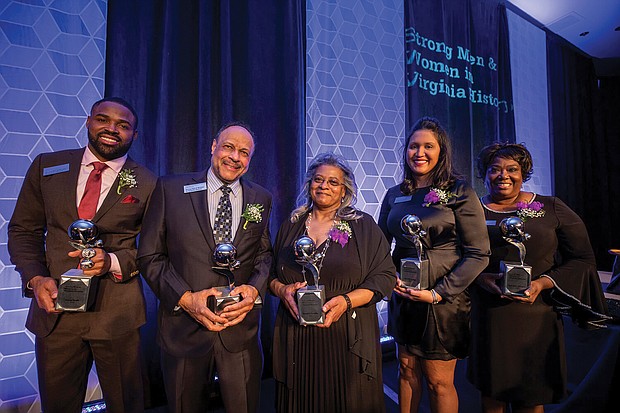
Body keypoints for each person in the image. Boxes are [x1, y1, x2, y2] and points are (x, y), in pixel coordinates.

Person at [8, 97, 157, 413]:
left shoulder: (147, 181)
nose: (111, 129)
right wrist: (36, 279)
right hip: (56, 312)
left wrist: (113, 261)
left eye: (123, 125)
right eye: (103, 119)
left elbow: (154, 248)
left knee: (127, 406)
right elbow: (23, 231)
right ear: (89, 121)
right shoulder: (48, 166)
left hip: (117, 315)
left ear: (134, 135)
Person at [137, 122, 272, 413]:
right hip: (184, 330)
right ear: (213, 147)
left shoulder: (261, 198)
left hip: (239, 332)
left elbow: (264, 256)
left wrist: (253, 290)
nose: (235, 157)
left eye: (244, 152)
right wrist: (186, 299)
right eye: (228, 147)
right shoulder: (170, 188)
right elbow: (149, 255)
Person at [468, 142, 608, 413]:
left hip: (537, 318)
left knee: (531, 398)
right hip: (489, 317)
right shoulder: (471, 210)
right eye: (494, 169)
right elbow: (457, 257)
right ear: (484, 174)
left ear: (524, 173)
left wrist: (543, 283)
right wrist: (481, 278)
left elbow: (583, 259)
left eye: (512, 169)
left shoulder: (550, 206)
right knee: (491, 395)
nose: (503, 175)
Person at [378, 117, 490, 413]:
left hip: (443, 301)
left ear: (441, 152)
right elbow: (379, 246)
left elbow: (479, 253)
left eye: (428, 146)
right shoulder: (395, 194)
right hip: (404, 296)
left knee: (437, 382)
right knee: (405, 370)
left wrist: (438, 292)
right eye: (413, 146)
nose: (419, 152)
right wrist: (389, 279)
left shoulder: (459, 191)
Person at [269, 153, 396, 413]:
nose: (324, 186)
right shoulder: (291, 225)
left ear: (344, 190)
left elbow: (385, 277)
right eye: (318, 179)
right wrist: (282, 290)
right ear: (309, 184)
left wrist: (347, 301)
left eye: (333, 182)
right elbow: (270, 276)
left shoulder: (363, 226)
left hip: (346, 336)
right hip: (297, 336)